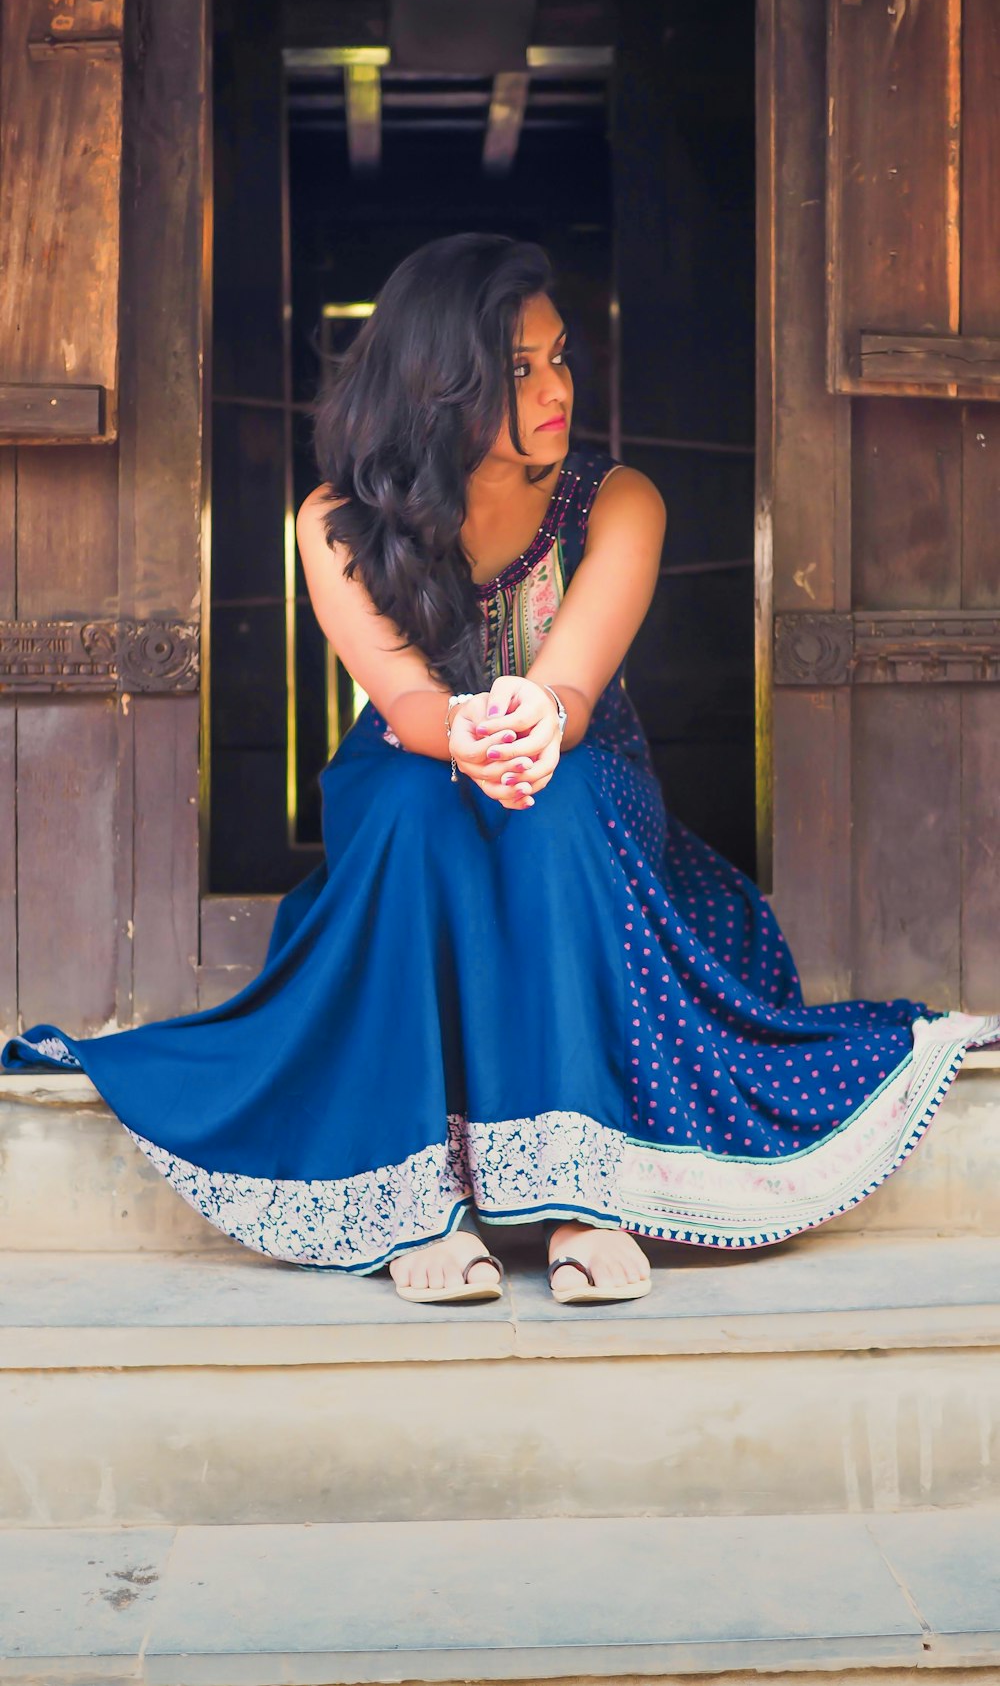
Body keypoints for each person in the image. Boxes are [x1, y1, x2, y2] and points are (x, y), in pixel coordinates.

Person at [3, 232, 998, 1307]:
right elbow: (405, 699)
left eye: (558, 357)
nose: (555, 386)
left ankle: (582, 1196)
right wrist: (462, 734)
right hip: (416, 756)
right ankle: (407, 1200)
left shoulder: (618, 502)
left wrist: (528, 717)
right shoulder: (335, 522)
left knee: (553, 797)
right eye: (517, 369)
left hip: (572, 763)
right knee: (408, 807)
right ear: (441, 385)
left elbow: (568, 690)